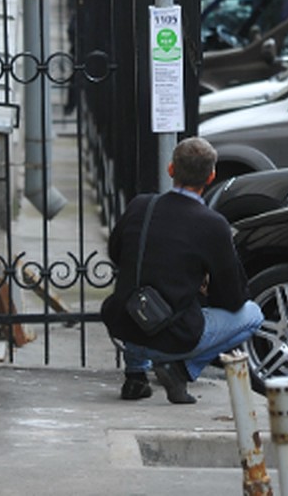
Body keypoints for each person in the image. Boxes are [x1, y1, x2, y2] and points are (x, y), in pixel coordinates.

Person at [101, 137, 263, 404]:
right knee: (253, 315)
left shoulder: (141, 205)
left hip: (123, 325)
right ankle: (181, 370)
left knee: (142, 294)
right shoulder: (213, 224)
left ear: (171, 169)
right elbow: (232, 298)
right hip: (170, 340)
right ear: (211, 176)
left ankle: (136, 376)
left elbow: (116, 254)